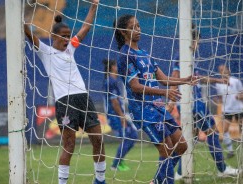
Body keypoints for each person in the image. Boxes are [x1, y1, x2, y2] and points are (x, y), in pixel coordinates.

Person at [24, 1, 106, 184]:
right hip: (65, 102)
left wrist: (93, 7)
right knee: (69, 145)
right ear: (53, 35)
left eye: (68, 36)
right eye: (63, 36)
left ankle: (100, 180)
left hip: (83, 98)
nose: (67, 39)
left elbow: (85, 27)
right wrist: (20, 21)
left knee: (98, 140)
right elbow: (29, 35)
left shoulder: (70, 48)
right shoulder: (44, 51)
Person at [114, 14, 198, 184]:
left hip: (158, 107)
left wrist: (184, 79)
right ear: (123, 32)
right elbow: (135, 87)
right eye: (132, 27)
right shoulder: (125, 55)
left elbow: (163, 79)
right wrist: (164, 93)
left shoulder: (144, 53)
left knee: (181, 146)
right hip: (144, 110)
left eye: (138, 26)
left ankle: (157, 181)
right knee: (166, 151)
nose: (137, 30)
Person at [166, 27, 239, 180]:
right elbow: (174, 76)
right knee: (212, 132)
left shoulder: (189, 57)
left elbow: (198, 78)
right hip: (193, 103)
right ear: (193, 41)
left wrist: (218, 80)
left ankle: (180, 173)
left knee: (189, 137)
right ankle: (222, 168)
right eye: (197, 41)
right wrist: (171, 100)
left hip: (189, 103)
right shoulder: (183, 56)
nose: (198, 44)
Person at [102, 59, 138, 171]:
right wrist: (122, 116)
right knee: (128, 137)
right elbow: (114, 101)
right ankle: (115, 164)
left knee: (133, 134)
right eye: (116, 66)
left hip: (118, 114)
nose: (118, 68)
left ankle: (119, 162)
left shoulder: (113, 80)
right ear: (112, 67)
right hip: (115, 116)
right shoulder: (110, 82)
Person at [215, 64, 243, 159]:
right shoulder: (218, 84)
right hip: (227, 110)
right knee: (225, 129)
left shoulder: (236, 81)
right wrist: (217, 101)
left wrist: (239, 96)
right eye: (221, 70)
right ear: (219, 72)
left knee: (241, 128)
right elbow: (220, 98)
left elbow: (242, 94)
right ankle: (231, 151)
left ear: (228, 70)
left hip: (239, 108)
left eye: (225, 69)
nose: (224, 71)